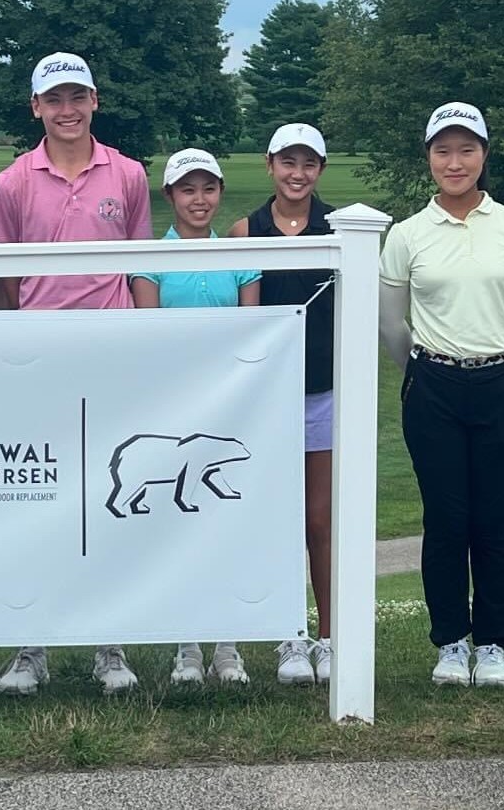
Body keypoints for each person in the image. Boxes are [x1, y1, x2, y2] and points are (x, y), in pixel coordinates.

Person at [0, 52, 152, 696]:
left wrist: (143, 344)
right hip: (39, 357)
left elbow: (138, 267)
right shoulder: (13, 183)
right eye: (54, 99)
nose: (66, 109)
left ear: (94, 101)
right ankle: (34, 643)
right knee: (41, 498)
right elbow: (6, 280)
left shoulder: (130, 175)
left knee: (103, 498)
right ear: (36, 107)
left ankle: (108, 642)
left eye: (77, 97)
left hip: (110, 353)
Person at [377, 102, 504, 689]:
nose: (455, 162)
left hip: (501, 384)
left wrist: (497, 355)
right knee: (447, 520)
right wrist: (438, 364)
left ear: (484, 154)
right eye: (443, 151)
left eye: (466, 149)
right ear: (428, 157)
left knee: (495, 521)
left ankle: (495, 643)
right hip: (433, 387)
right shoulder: (407, 235)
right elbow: (393, 326)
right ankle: (452, 641)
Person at [131, 149, 257, 686]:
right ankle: (186, 643)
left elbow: (255, 330)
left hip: (231, 407)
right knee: (180, 523)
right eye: (188, 190)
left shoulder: (240, 254)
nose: (199, 200)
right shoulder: (150, 259)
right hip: (176, 411)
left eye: (208, 189)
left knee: (224, 524)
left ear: (220, 193)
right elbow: (150, 335)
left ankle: (227, 644)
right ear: (170, 197)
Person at [226, 123, 336, 686]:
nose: (298, 174)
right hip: (268, 399)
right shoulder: (247, 229)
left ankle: (328, 635)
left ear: (320, 169)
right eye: (288, 162)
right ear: (271, 165)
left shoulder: (338, 227)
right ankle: (288, 633)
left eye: (309, 164)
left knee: (321, 519)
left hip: (323, 390)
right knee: (279, 519)